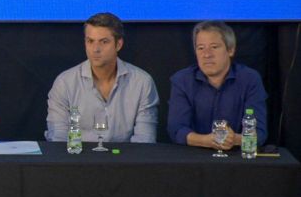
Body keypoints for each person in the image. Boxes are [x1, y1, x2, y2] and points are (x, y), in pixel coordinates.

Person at [45, 12, 159, 143]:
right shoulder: (65, 83)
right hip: (78, 160)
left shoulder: (142, 83)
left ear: (118, 44)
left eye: (104, 42)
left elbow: (145, 141)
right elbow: (58, 139)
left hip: (125, 161)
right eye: (90, 41)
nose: (95, 49)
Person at [168, 21, 267, 149]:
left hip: (237, 159)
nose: (207, 54)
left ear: (230, 50)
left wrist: (234, 139)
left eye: (214, 47)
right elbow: (176, 130)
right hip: (194, 158)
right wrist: (205, 140)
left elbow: (260, 133)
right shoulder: (182, 80)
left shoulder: (250, 79)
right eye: (200, 48)